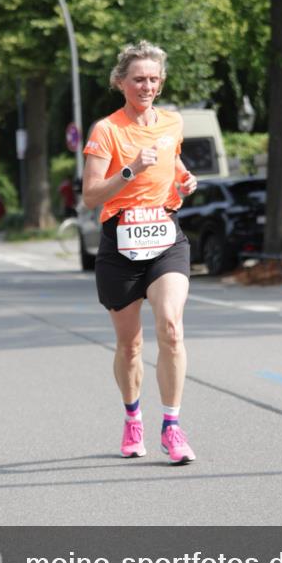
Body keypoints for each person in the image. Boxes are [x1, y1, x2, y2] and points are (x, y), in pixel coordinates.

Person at [82, 41, 198, 465]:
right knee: (130, 346)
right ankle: (133, 418)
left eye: (153, 79)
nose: (146, 86)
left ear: (161, 83)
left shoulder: (172, 123)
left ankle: (173, 427)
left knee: (171, 327)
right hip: (121, 242)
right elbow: (92, 195)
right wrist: (130, 168)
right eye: (138, 79)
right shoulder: (107, 130)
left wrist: (186, 182)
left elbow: (176, 165)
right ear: (121, 83)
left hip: (166, 236)